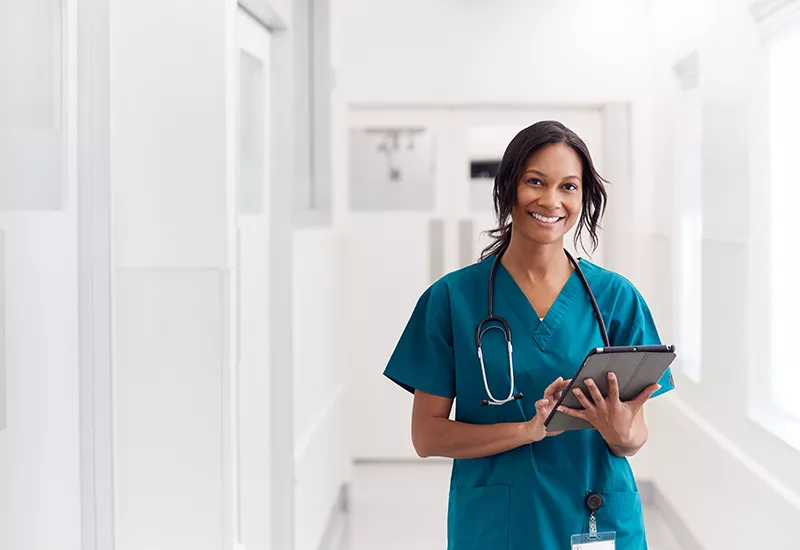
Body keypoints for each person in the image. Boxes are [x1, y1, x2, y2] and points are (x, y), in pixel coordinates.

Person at [383, 120, 675, 549]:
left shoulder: (614, 298)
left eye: (569, 187)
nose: (551, 200)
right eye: (535, 182)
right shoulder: (451, 300)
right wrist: (527, 430)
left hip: (595, 518)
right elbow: (427, 436)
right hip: (498, 525)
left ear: (583, 196)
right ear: (507, 189)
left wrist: (619, 430)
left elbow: (633, 438)